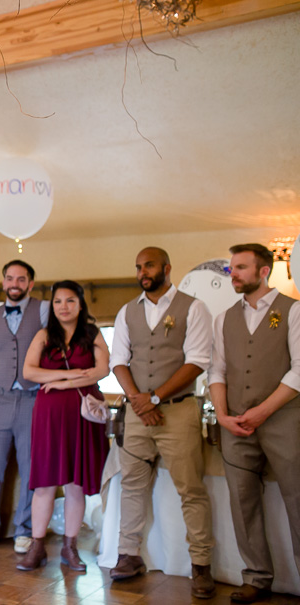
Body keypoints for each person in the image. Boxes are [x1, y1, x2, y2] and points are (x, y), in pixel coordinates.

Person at [109, 247, 215, 598]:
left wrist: (154, 398)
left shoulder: (193, 307)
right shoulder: (127, 311)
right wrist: (139, 401)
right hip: (138, 414)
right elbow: (119, 361)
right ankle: (128, 555)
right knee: (132, 485)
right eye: (138, 266)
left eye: (149, 265)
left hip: (179, 412)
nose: (143, 271)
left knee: (191, 489)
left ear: (167, 268)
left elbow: (197, 361)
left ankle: (201, 565)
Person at [209, 243, 300, 604]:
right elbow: (217, 370)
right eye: (232, 267)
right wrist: (221, 414)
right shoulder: (224, 318)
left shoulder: (292, 312)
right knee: (242, 500)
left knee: (297, 497)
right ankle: (256, 576)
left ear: (264, 271)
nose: (235, 273)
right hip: (235, 425)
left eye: (242, 267)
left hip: (284, 421)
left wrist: (263, 411)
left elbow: (299, 370)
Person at [16, 280, 110, 571]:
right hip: (49, 415)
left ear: (81, 304)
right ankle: (37, 546)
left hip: (82, 415)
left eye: (70, 300)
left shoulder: (92, 333)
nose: (64, 307)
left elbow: (103, 370)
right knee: (44, 482)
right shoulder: (44, 335)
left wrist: (61, 382)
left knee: (75, 484)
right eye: (58, 301)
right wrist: (66, 378)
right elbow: (29, 371)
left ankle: (70, 548)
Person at [0, 260, 49, 554]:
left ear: (30, 283)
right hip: (1, 398)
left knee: (30, 467)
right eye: (10, 278)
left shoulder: (44, 310)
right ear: (4, 282)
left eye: (21, 278)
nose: (15, 283)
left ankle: (24, 530)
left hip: (34, 399)